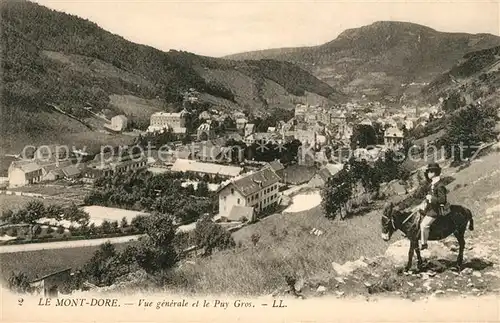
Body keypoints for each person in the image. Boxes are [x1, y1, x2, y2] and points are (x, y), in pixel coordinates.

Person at [419, 163, 448, 250]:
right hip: (430, 208)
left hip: (435, 210)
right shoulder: (433, 184)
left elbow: (443, 200)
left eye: (429, 172)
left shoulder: (440, 185)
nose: (427, 174)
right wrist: (425, 201)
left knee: (424, 225)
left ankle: (424, 244)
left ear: (434, 173)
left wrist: (432, 198)